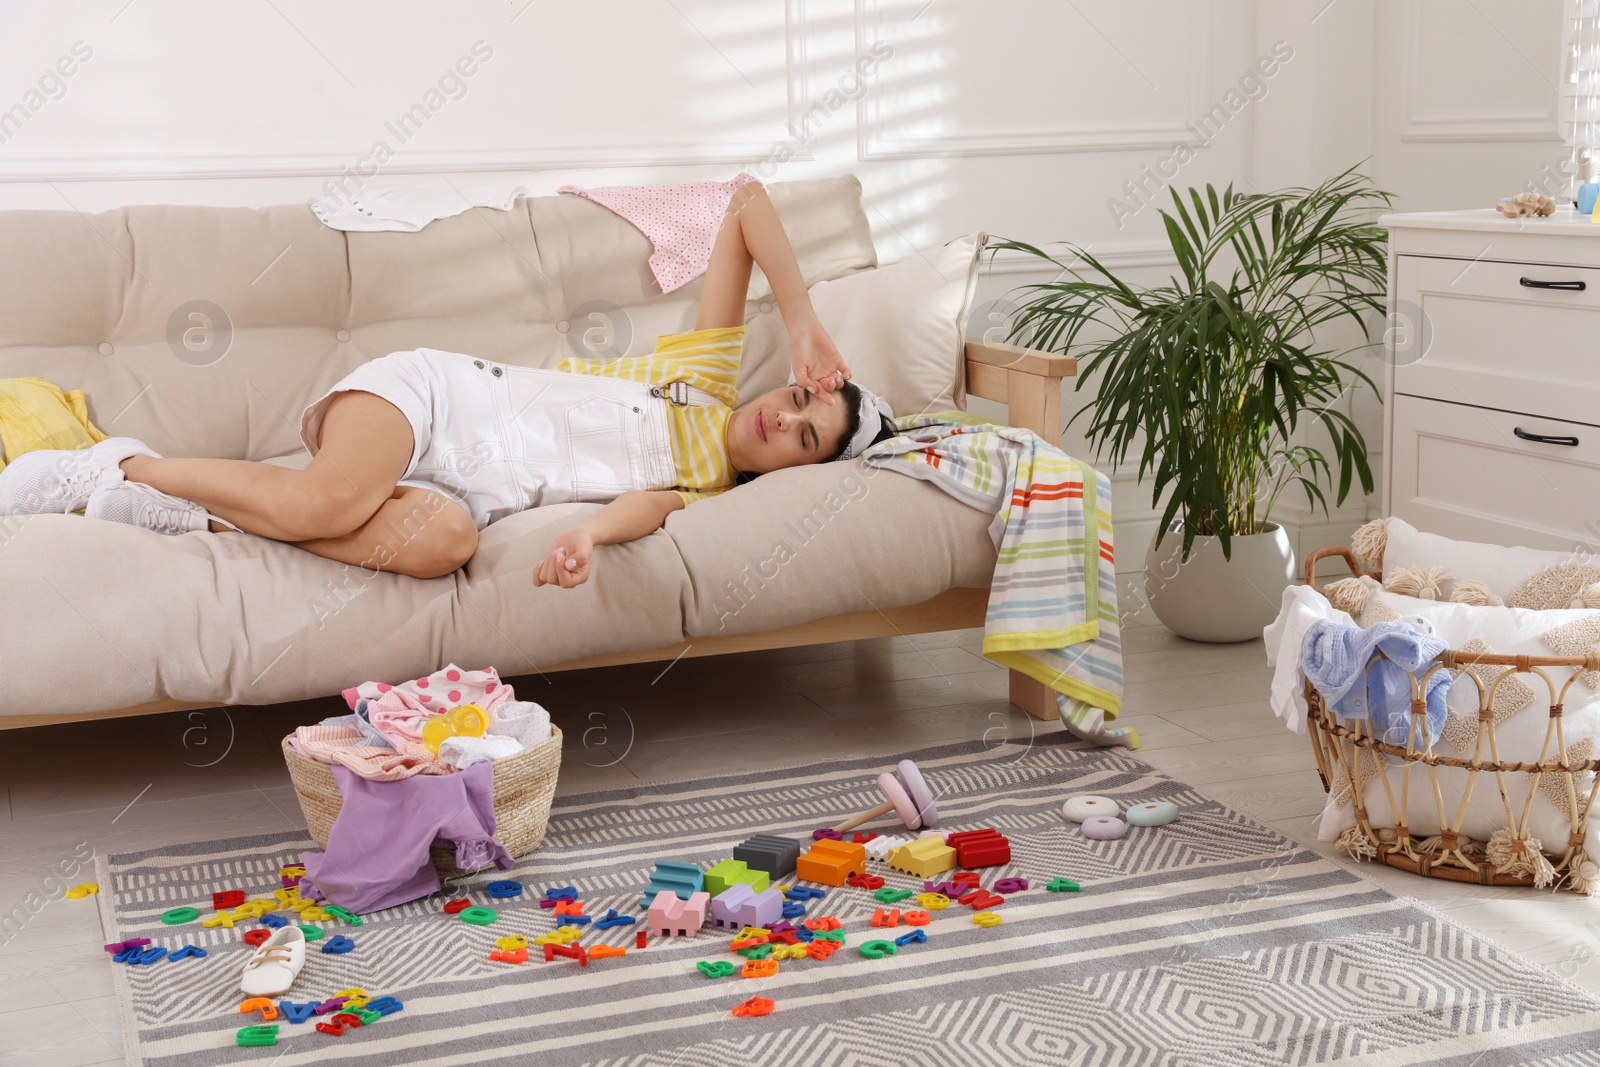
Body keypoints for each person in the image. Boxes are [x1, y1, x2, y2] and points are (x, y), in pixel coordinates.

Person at [0, 180, 899, 586]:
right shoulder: (702, 380)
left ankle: (206, 512)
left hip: (454, 490)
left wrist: (586, 537)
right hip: (431, 400)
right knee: (330, 501)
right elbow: (744, 201)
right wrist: (804, 319)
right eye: (797, 399)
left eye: (806, 436)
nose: (784, 420)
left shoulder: (706, 488)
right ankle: (121, 471)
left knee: (445, 546)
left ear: (795, 472)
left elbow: (643, 513)